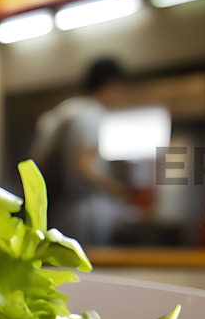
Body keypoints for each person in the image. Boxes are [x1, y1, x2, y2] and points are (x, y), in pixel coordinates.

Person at [31, 58, 138, 245]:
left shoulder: (63, 111)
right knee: (86, 265)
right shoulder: (92, 115)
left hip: (57, 208)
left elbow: (36, 161)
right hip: (85, 211)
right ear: (110, 84)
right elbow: (82, 167)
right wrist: (117, 188)